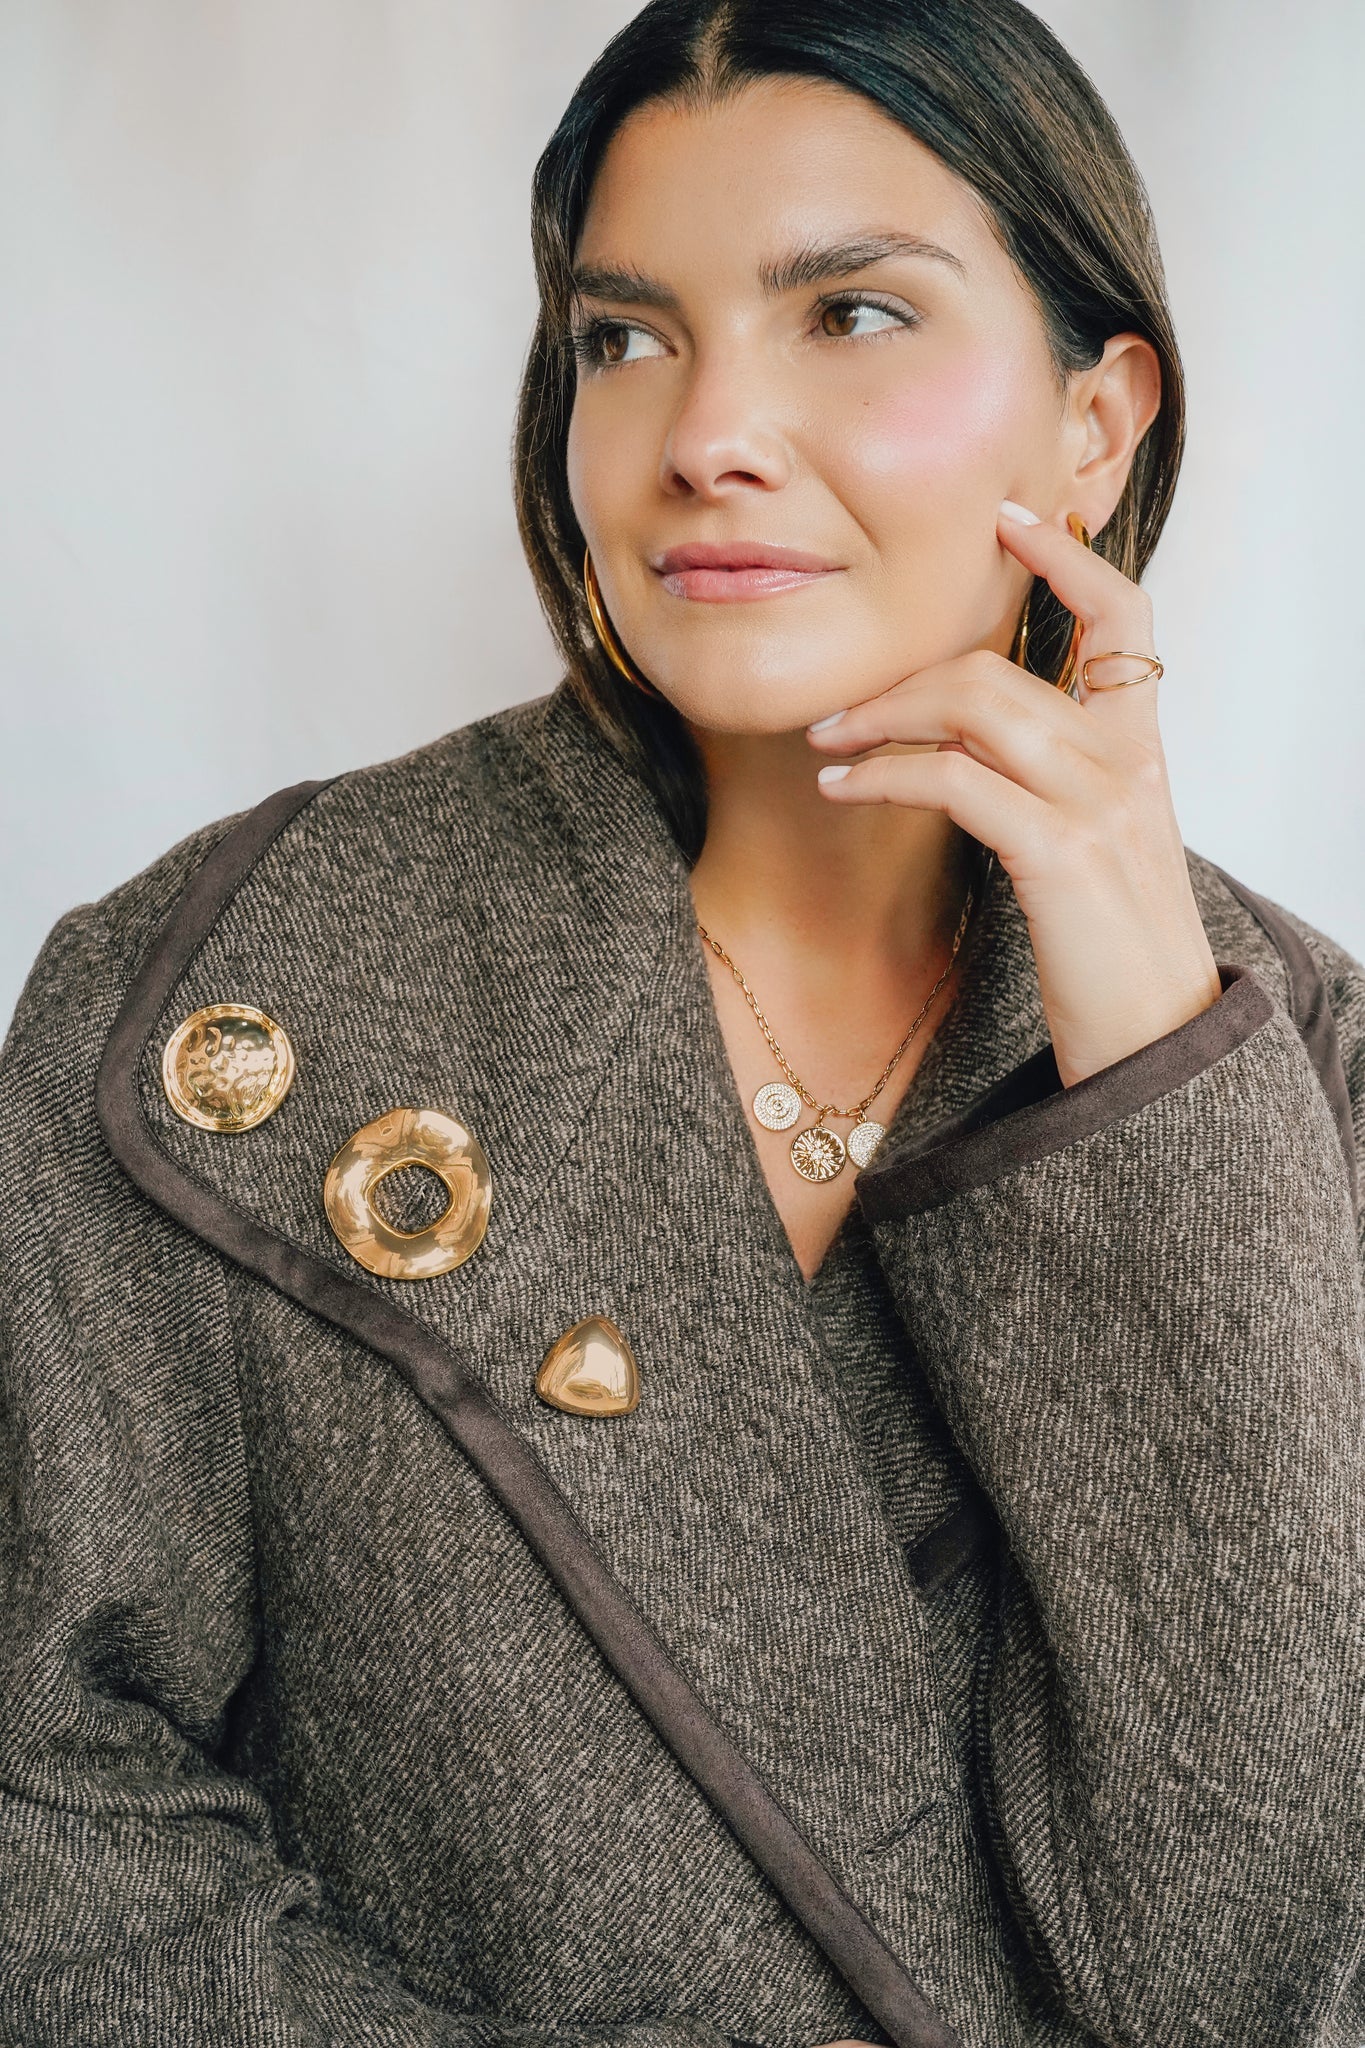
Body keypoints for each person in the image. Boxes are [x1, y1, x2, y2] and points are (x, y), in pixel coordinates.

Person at [1, 1, 1360, 2044]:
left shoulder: (1313, 1080)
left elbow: (1247, 1972)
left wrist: (1156, 1060)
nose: (706, 429)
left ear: (1092, 425)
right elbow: (45, 1820)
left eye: (850, 315)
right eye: (624, 337)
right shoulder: (218, 1002)